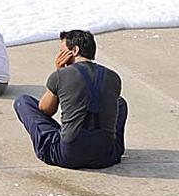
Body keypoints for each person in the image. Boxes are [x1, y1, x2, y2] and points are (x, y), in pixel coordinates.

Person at [14, 30, 128, 170]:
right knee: (120, 103)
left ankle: (70, 139)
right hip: (106, 156)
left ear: (74, 50)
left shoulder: (61, 75)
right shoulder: (113, 77)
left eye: (62, 51)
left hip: (68, 155)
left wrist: (59, 73)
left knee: (23, 101)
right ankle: (107, 144)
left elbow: (45, 109)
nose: (59, 55)